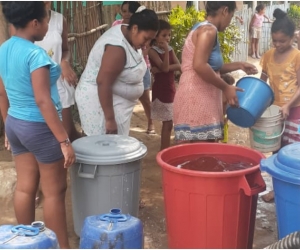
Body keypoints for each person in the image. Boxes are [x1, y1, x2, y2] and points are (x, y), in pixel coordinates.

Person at [0, 2, 75, 249]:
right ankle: (61, 247)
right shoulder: (36, 55)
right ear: (34, 23)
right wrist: (64, 140)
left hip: (15, 123)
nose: (46, 26)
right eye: (45, 21)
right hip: (39, 127)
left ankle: (25, 243)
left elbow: (2, 94)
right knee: (55, 191)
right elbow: (43, 100)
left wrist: (7, 126)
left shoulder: (4, 49)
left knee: (25, 186)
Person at [173, 1, 258, 143]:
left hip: (193, 96)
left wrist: (239, 65)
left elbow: (210, 67)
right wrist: (226, 87)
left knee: (196, 154)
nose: (230, 22)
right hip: (197, 98)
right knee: (203, 155)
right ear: (225, 11)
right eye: (231, 17)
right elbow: (199, 65)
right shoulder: (209, 31)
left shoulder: (200, 28)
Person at [75, 6, 159, 136]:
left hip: (111, 100)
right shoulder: (117, 49)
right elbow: (103, 82)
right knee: (100, 145)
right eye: (146, 38)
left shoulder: (129, 34)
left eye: (151, 40)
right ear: (135, 28)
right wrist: (109, 119)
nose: (146, 44)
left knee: (114, 145)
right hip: (96, 100)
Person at [260, 8, 300, 203]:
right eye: (274, 41)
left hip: (295, 111)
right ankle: (277, 190)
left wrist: (288, 106)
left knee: (292, 152)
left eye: (282, 41)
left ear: (292, 37)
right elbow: (262, 84)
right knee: (275, 151)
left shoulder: (297, 56)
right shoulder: (268, 56)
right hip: (275, 111)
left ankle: (294, 191)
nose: (278, 45)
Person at [35, 1, 81, 142]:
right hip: (34, 83)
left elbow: (65, 50)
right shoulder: (25, 22)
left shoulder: (60, 20)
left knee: (64, 133)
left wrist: (64, 62)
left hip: (57, 80)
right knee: (42, 135)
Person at [112, 1, 155, 134]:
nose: (125, 14)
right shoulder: (116, 26)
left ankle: (150, 122)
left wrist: (141, 55)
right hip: (123, 68)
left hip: (141, 66)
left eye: (128, 11)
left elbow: (147, 47)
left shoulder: (143, 28)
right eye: (123, 11)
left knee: (145, 99)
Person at [148, 20, 181, 150]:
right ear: (156, 36)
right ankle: (164, 152)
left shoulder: (170, 49)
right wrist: (166, 52)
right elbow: (167, 68)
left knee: (169, 122)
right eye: (164, 35)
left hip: (170, 88)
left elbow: (179, 66)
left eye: (169, 35)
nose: (167, 38)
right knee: (167, 123)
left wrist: (161, 69)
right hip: (162, 90)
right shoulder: (152, 51)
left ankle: (165, 151)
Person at [220, 73, 235, 143]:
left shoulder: (227, 97)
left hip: (222, 118)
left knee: (223, 140)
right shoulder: (223, 95)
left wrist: (226, 118)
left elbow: (229, 109)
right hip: (219, 118)